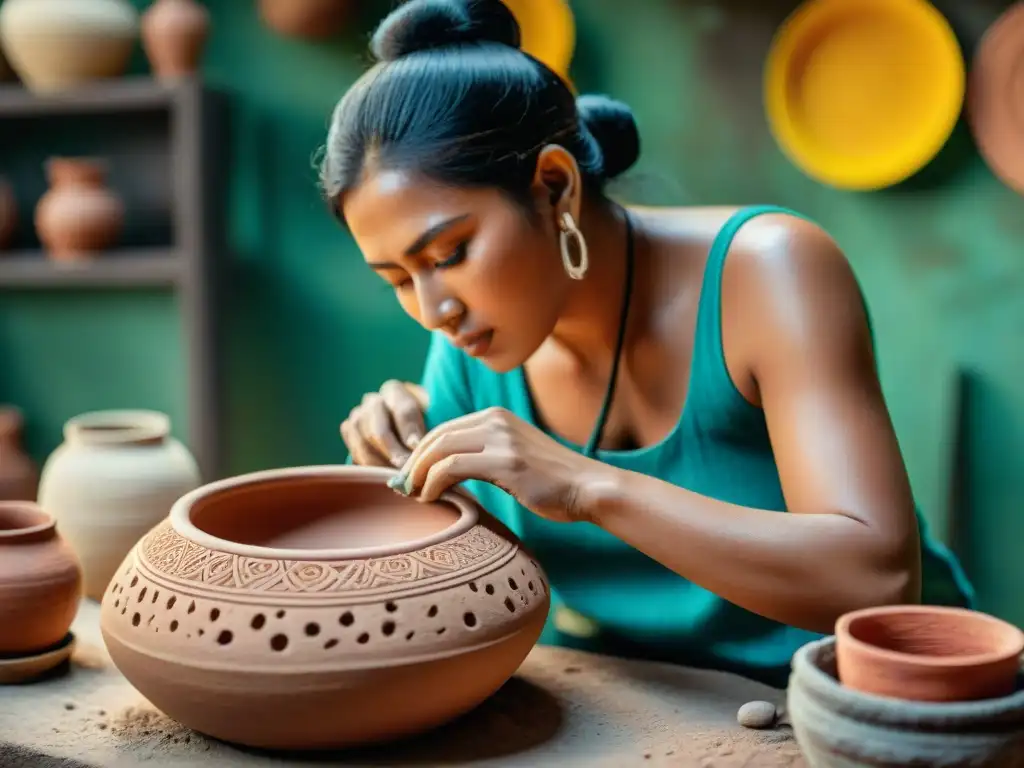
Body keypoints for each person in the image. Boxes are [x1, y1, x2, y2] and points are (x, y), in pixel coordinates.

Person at [320, 0, 974, 687]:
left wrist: (588, 486)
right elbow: (452, 592)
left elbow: (876, 578)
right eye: (397, 277)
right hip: (664, 715)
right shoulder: (471, 346)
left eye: (451, 252)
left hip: (885, 704)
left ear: (554, 185)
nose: (434, 309)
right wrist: (397, 468)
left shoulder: (769, 272)